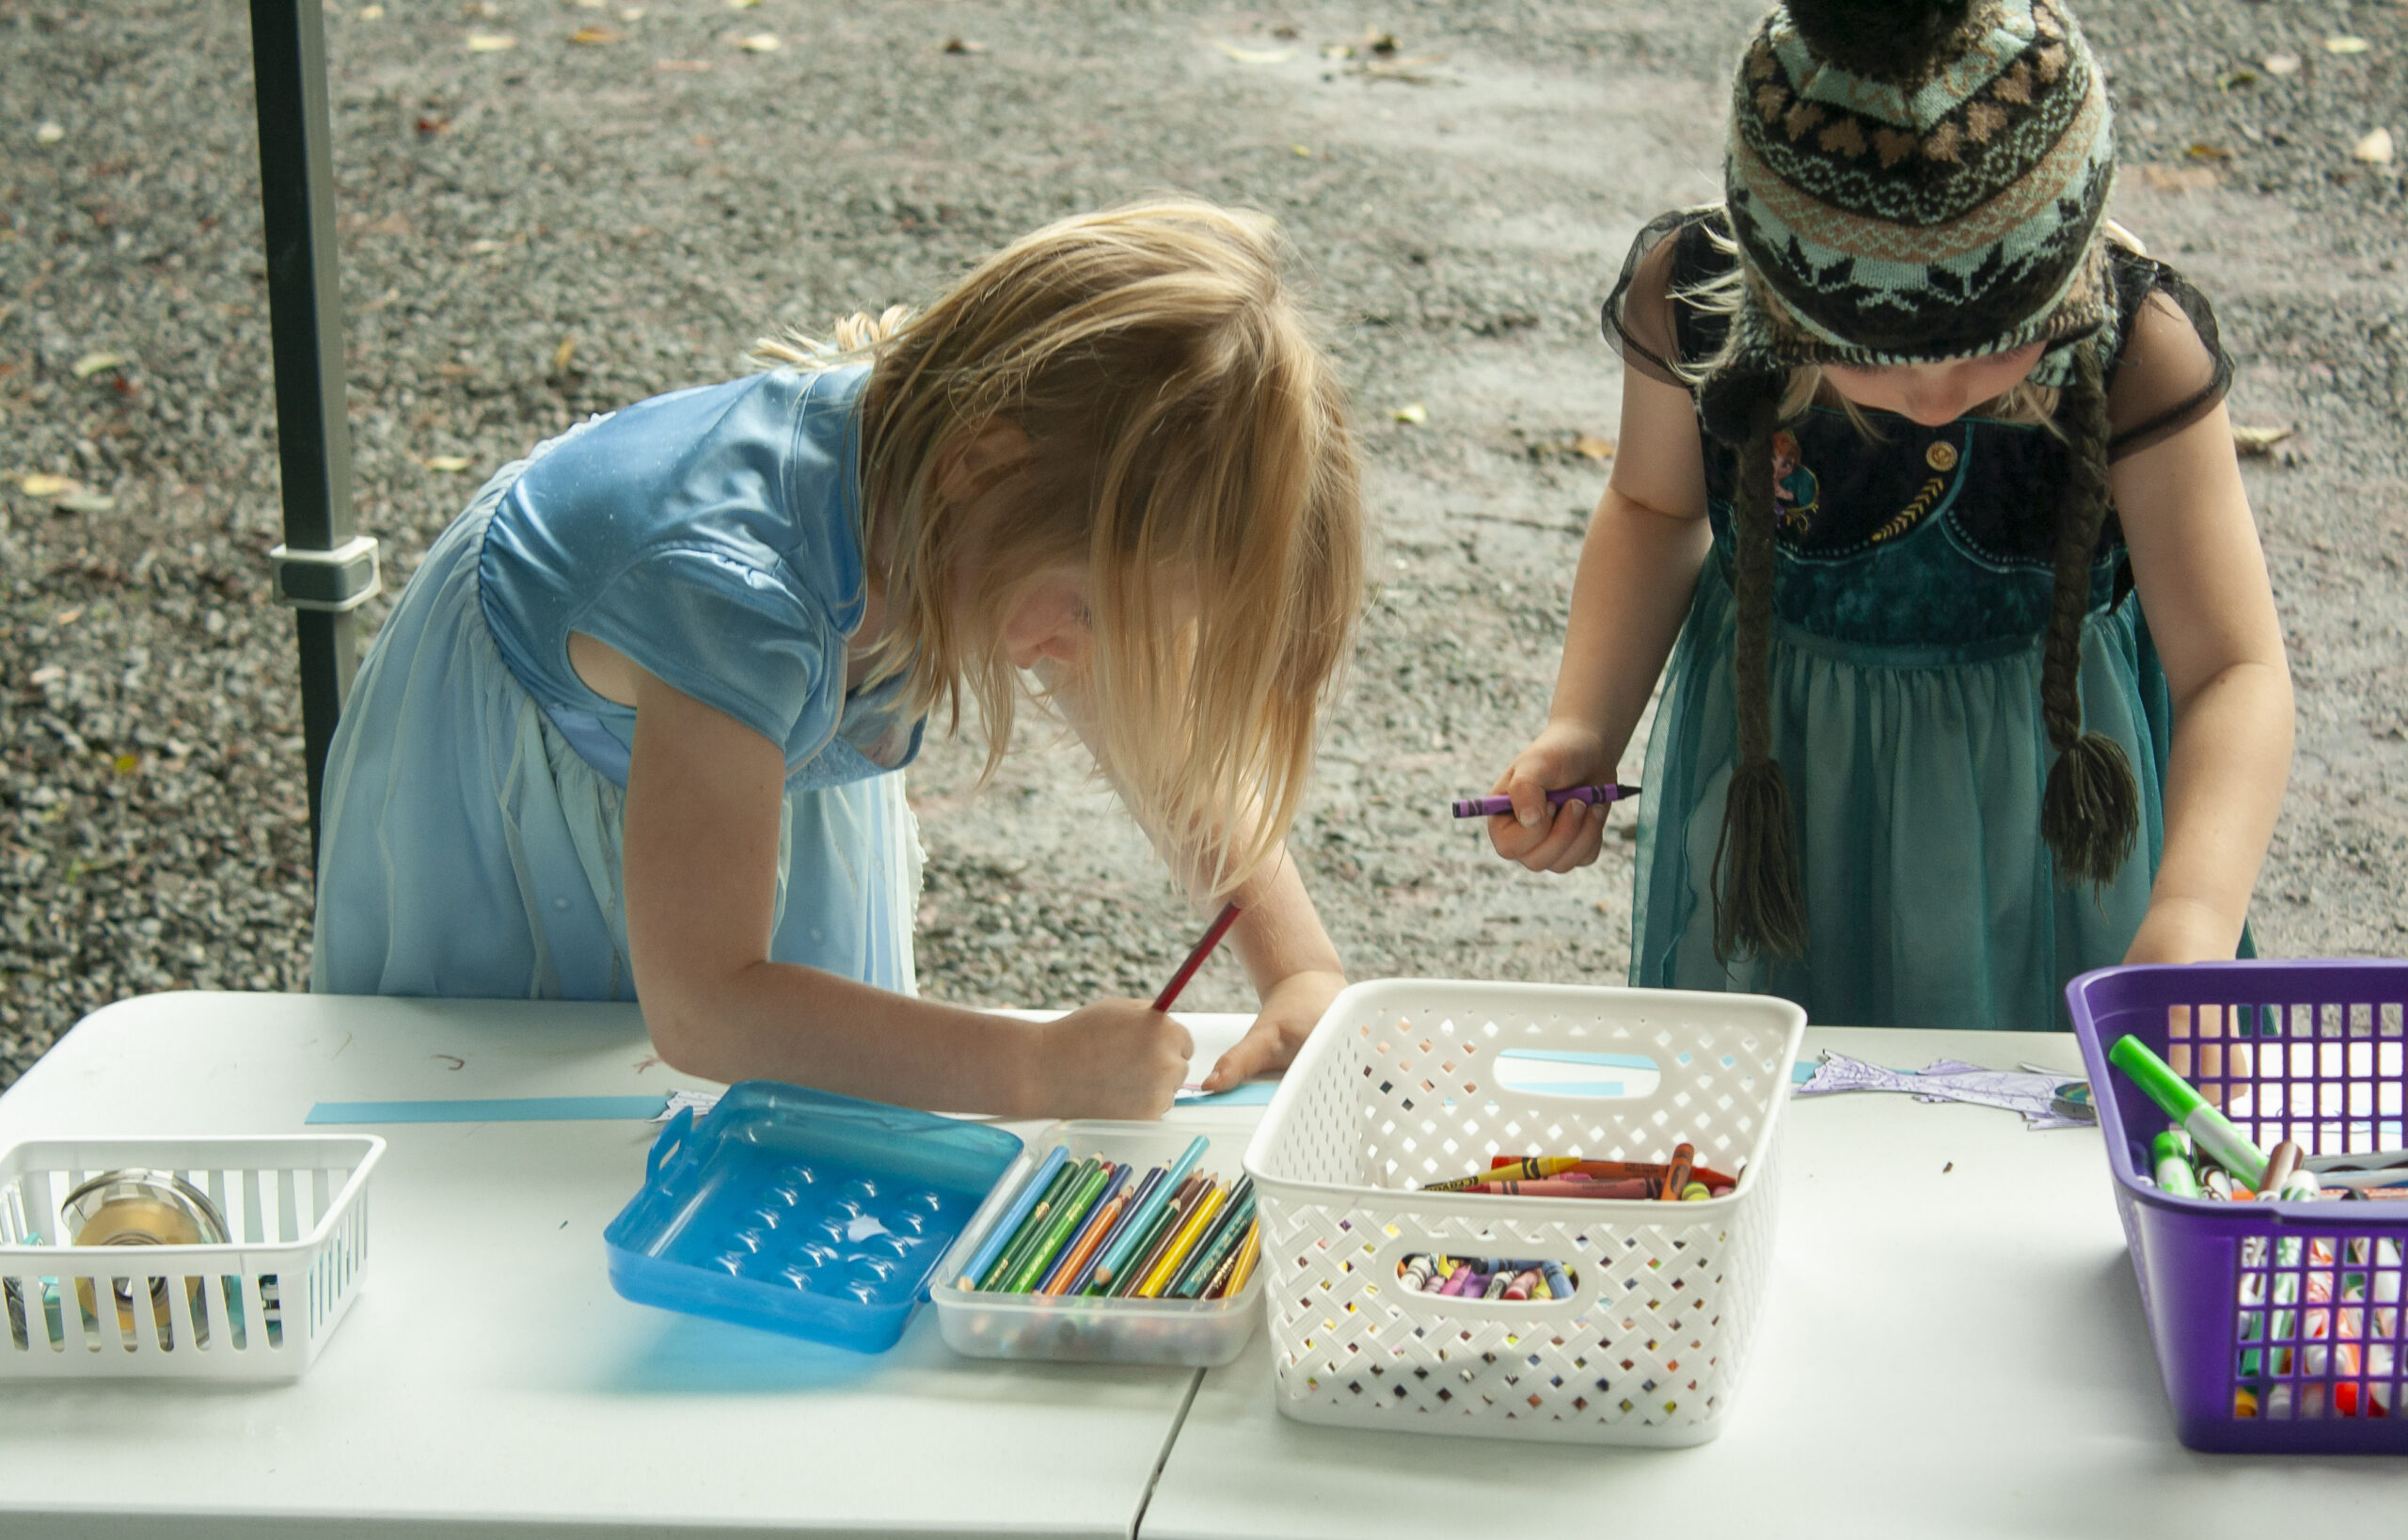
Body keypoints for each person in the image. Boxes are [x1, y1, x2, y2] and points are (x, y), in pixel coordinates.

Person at [311, 198, 1364, 1113]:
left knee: (789, 1086)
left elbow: (1167, 755)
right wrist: (1035, 1071)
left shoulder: (976, 505)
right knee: (534, 1110)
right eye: (1091, 617)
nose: (1086, 660)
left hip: (736, 731)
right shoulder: (728, 599)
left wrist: (1299, 970)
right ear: (977, 467)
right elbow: (709, 1003)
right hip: (536, 783)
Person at [1487, 0, 2293, 1028]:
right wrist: (1584, 722)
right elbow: (1652, 507)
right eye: (1870, 353)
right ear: (1778, 294)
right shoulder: (1693, 298)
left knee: (2044, 1138)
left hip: (2045, 846)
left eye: (1993, 344)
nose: (1934, 395)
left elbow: (2233, 669)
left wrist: (2188, 922)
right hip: (1799, 814)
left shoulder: (2137, 349)